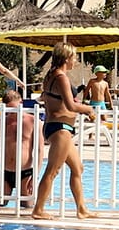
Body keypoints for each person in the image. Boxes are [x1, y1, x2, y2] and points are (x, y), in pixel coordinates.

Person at [32, 42, 96, 220]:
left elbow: (48, 98)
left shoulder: (50, 75)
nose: (75, 61)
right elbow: (70, 106)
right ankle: (38, 210)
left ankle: (82, 209)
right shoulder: (61, 77)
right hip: (60, 128)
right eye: (74, 57)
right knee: (53, 170)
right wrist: (88, 110)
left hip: (57, 126)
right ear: (67, 58)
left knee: (78, 168)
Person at [0, 90, 41, 208]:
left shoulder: (32, 121)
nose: (11, 112)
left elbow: (39, 151)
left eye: (13, 108)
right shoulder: (2, 122)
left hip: (25, 172)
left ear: (20, 103)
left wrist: (35, 176)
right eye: (8, 109)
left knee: (28, 207)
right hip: (5, 171)